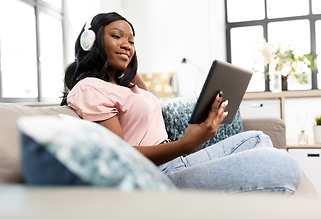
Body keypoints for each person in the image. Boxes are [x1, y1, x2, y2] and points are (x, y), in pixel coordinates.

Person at [61, 12, 302, 193]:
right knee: (284, 166)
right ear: (90, 43)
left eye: (132, 41)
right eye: (116, 36)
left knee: (258, 138)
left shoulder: (126, 86)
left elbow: (153, 102)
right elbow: (121, 156)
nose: (127, 45)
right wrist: (187, 143)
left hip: (175, 163)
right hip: (153, 177)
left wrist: (128, 68)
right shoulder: (89, 88)